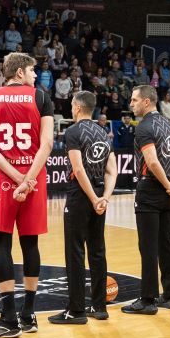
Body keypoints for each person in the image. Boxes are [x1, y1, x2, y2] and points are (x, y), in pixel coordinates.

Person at [0, 52, 55, 338]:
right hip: (34, 180)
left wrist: (16, 178)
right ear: (20, 72)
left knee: (1, 243)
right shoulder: (40, 97)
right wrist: (29, 179)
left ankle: (8, 317)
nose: (36, 76)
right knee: (30, 243)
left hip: (3, 180)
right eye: (33, 71)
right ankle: (29, 314)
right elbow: (47, 143)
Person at [50, 90, 116, 324]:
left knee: (75, 251)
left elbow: (78, 170)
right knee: (97, 250)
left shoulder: (73, 131)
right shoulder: (103, 132)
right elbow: (112, 169)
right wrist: (104, 198)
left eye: (71, 104)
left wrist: (91, 198)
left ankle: (76, 310)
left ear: (77, 107)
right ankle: (99, 307)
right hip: (99, 194)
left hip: (80, 195)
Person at [122, 84, 170, 314]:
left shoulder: (144, 127)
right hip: (167, 189)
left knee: (148, 246)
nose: (131, 104)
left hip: (151, 189)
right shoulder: (169, 125)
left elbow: (152, 161)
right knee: (166, 244)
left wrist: (168, 185)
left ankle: (147, 300)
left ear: (146, 102)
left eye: (134, 100)